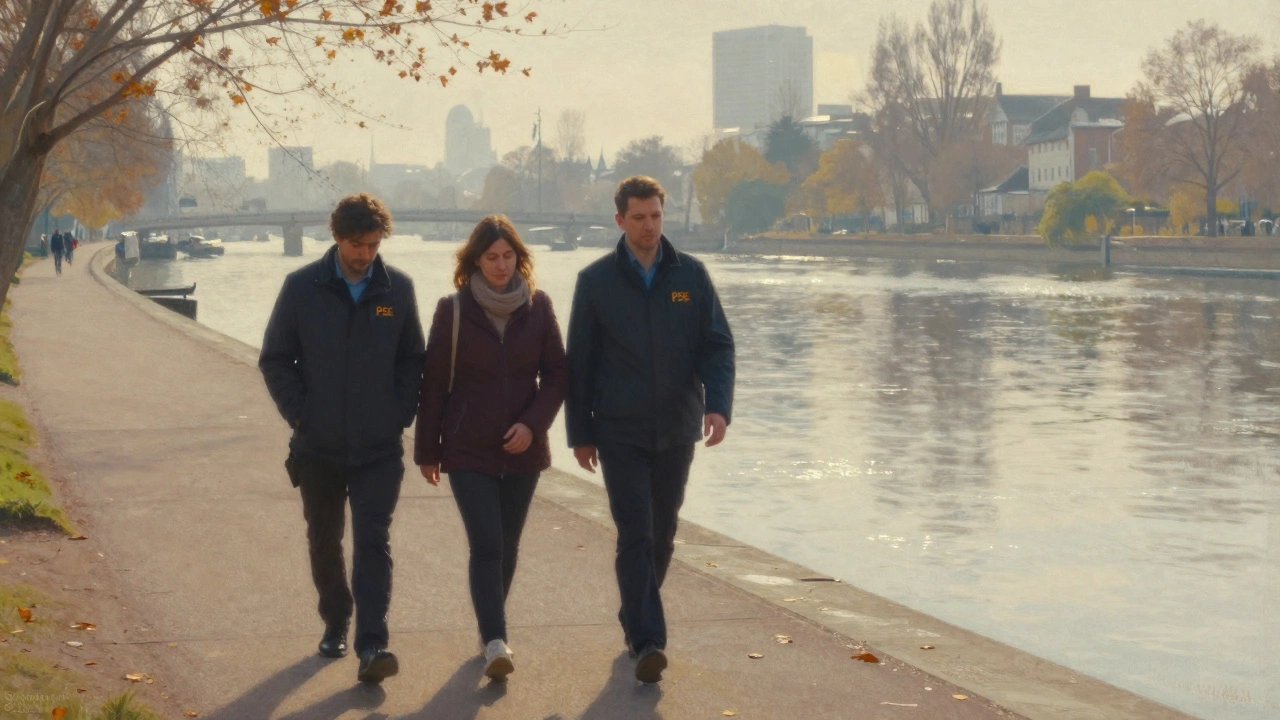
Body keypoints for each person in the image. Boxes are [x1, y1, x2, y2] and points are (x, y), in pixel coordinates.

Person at [565, 175, 736, 684]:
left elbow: (717, 346)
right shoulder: (595, 282)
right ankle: (648, 641)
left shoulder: (692, 276)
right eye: (638, 217)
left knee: (662, 535)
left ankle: (634, 614)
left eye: (656, 215)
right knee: (635, 534)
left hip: (678, 427)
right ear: (620, 220)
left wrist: (718, 406)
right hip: (620, 431)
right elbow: (581, 364)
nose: (649, 226)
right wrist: (580, 433)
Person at [259, 193, 425, 684]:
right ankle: (336, 617)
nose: (366, 255)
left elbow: (413, 359)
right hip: (319, 446)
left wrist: (400, 411)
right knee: (324, 539)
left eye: (374, 245)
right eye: (357, 244)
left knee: (373, 541)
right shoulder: (301, 288)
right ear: (336, 237)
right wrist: (301, 415)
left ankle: (373, 645)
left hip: (379, 446)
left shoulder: (398, 290)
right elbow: (275, 359)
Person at [415, 215, 567, 681]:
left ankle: (488, 631)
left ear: (518, 258)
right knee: (486, 544)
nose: (501, 266)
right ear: (474, 261)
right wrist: (427, 450)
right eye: (491, 257)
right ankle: (498, 640)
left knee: (507, 545)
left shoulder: (538, 307)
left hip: (523, 450)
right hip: (467, 449)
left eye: (508, 256)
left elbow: (558, 375)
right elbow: (435, 383)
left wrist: (533, 424)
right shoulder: (454, 310)